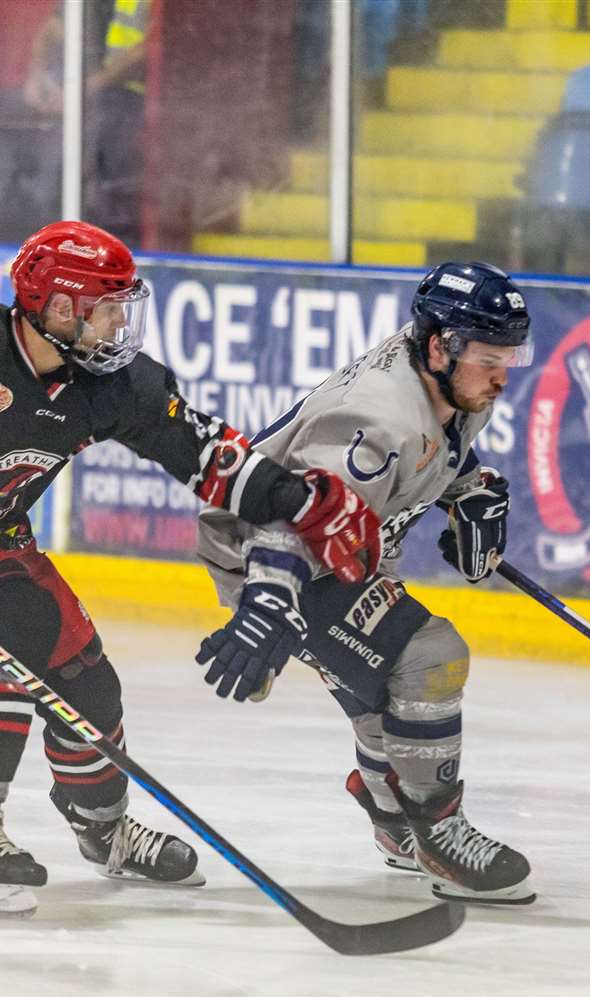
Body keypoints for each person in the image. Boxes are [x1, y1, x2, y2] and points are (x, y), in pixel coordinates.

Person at [0, 220, 380, 916]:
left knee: (87, 679)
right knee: (15, 626)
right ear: (57, 309)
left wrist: (299, 500)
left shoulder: (109, 388)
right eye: (107, 307)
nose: (120, 322)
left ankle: (102, 829)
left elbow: (200, 452)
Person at [195, 261, 536, 906]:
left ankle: (393, 821)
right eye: (490, 358)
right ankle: (439, 835)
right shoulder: (377, 421)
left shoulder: (451, 382)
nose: (502, 376)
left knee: (385, 694)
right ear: (441, 346)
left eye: (509, 357)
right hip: (277, 554)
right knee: (429, 658)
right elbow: (291, 517)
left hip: (345, 547)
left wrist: (467, 489)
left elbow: (435, 450)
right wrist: (268, 604)